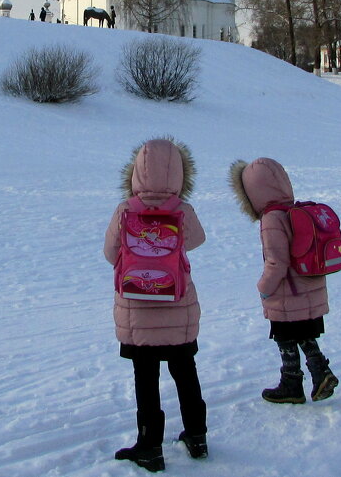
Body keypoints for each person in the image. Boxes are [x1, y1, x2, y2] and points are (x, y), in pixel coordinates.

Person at [105, 138, 208, 472]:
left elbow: (110, 254)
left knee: (145, 378)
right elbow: (196, 240)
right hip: (177, 303)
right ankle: (197, 435)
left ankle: (150, 445)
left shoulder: (125, 210)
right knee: (185, 372)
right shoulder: (182, 210)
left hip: (137, 307)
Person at [229, 157, 339, 403]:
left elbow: (276, 261)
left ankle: (292, 382)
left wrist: (264, 288)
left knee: (285, 336)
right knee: (303, 334)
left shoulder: (272, 219)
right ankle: (320, 370)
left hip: (287, 291)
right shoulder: (296, 211)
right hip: (309, 286)